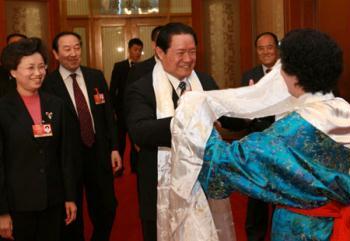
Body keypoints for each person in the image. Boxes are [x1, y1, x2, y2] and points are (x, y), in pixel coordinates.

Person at [175, 29, 349, 240]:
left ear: (293, 76)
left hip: (303, 230)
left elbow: (221, 167)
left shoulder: (289, 132)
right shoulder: (344, 112)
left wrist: (197, 115)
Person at [124, 22, 241, 241]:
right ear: (160, 52)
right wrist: (186, 121)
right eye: (180, 53)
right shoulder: (142, 87)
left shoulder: (204, 81)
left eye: (192, 52)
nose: (188, 59)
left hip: (203, 184)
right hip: (160, 187)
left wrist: (249, 110)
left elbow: (226, 117)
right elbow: (140, 131)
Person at [42, 31, 122, 241]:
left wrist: (114, 147)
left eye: (77, 47)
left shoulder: (95, 76)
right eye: (67, 49)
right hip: (67, 158)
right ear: (56, 54)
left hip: (97, 151)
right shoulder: (48, 85)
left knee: (107, 207)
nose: (73, 53)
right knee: (71, 213)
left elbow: (108, 117)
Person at [0, 37, 76, 241]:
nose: (38, 73)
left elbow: (65, 155)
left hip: (52, 200)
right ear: (13, 71)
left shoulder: (56, 105)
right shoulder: (3, 109)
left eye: (41, 67)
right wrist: (2, 211)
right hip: (18, 204)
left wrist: (70, 196)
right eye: (30, 68)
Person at [241, 32, 279, 241]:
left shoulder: (288, 73)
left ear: (277, 49)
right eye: (261, 48)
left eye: (270, 47)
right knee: (256, 196)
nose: (266, 52)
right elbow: (242, 111)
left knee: (281, 195)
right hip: (257, 145)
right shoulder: (249, 75)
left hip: (283, 145)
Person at [110, 37, 143, 175]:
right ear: (129, 50)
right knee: (120, 141)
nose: (137, 53)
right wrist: (112, 111)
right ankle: (119, 167)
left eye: (140, 51)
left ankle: (136, 167)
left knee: (136, 140)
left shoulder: (143, 67)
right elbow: (113, 89)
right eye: (135, 50)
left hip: (136, 111)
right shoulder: (119, 66)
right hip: (121, 111)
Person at [0, 33, 27, 98]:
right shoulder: (1, 72)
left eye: (20, 45)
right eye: (12, 45)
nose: (16, 49)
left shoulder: (37, 70)